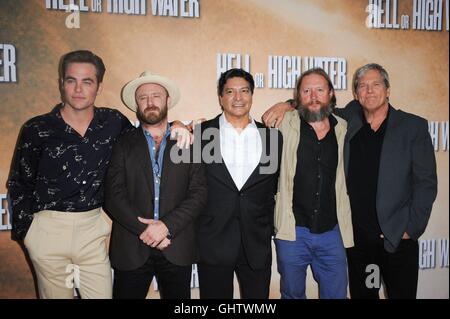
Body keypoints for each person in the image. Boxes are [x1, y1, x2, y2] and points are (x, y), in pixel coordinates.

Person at [263, 63, 437, 299]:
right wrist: (288, 104)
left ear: (388, 90)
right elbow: (313, 104)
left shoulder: (411, 126)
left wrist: (411, 228)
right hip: (361, 241)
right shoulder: (350, 120)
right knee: (365, 293)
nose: (370, 91)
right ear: (356, 94)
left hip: (397, 239)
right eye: (363, 86)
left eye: (376, 85)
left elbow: (426, 182)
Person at [7, 50, 133, 299]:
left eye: (87, 81)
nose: (78, 89)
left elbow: (145, 143)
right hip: (47, 231)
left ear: (98, 86)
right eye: (71, 80)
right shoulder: (37, 128)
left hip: (92, 230)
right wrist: (29, 232)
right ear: (61, 84)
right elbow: (19, 181)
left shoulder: (113, 122)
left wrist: (178, 127)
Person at [103, 71, 207, 299]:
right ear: (136, 104)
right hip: (131, 247)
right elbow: (113, 195)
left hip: (176, 244)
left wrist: (166, 226)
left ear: (168, 100)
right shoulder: (122, 143)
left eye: (156, 95)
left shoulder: (188, 141)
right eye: (143, 97)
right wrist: (148, 231)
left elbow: (198, 193)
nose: (150, 102)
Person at [196, 68, 282, 299]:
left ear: (252, 95)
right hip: (213, 240)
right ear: (221, 97)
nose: (238, 98)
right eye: (230, 92)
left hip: (256, 242)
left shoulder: (273, 138)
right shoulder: (202, 134)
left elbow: (276, 188)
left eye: (244, 91)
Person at [273, 68, 353, 299]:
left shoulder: (344, 127)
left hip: (332, 232)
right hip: (292, 231)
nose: (313, 96)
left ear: (331, 94)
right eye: (306, 90)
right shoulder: (283, 122)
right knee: (292, 294)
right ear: (298, 96)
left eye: (319, 89)